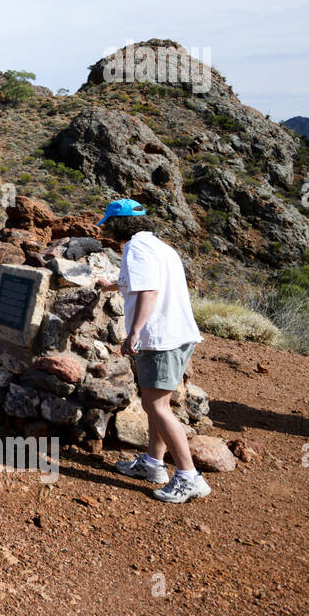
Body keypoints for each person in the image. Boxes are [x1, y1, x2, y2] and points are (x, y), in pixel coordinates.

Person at [94, 198, 210, 504]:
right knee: (156, 404)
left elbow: (148, 290)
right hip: (179, 335)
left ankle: (188, 477)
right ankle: (154, 464)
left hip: (160, 338)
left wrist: (134, 332)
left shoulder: (136, 248)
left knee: (157, 407)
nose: (107, 231)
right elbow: (136, 281)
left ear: (119, 224)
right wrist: (109, 286)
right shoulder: (160, 247)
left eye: (109, 225)